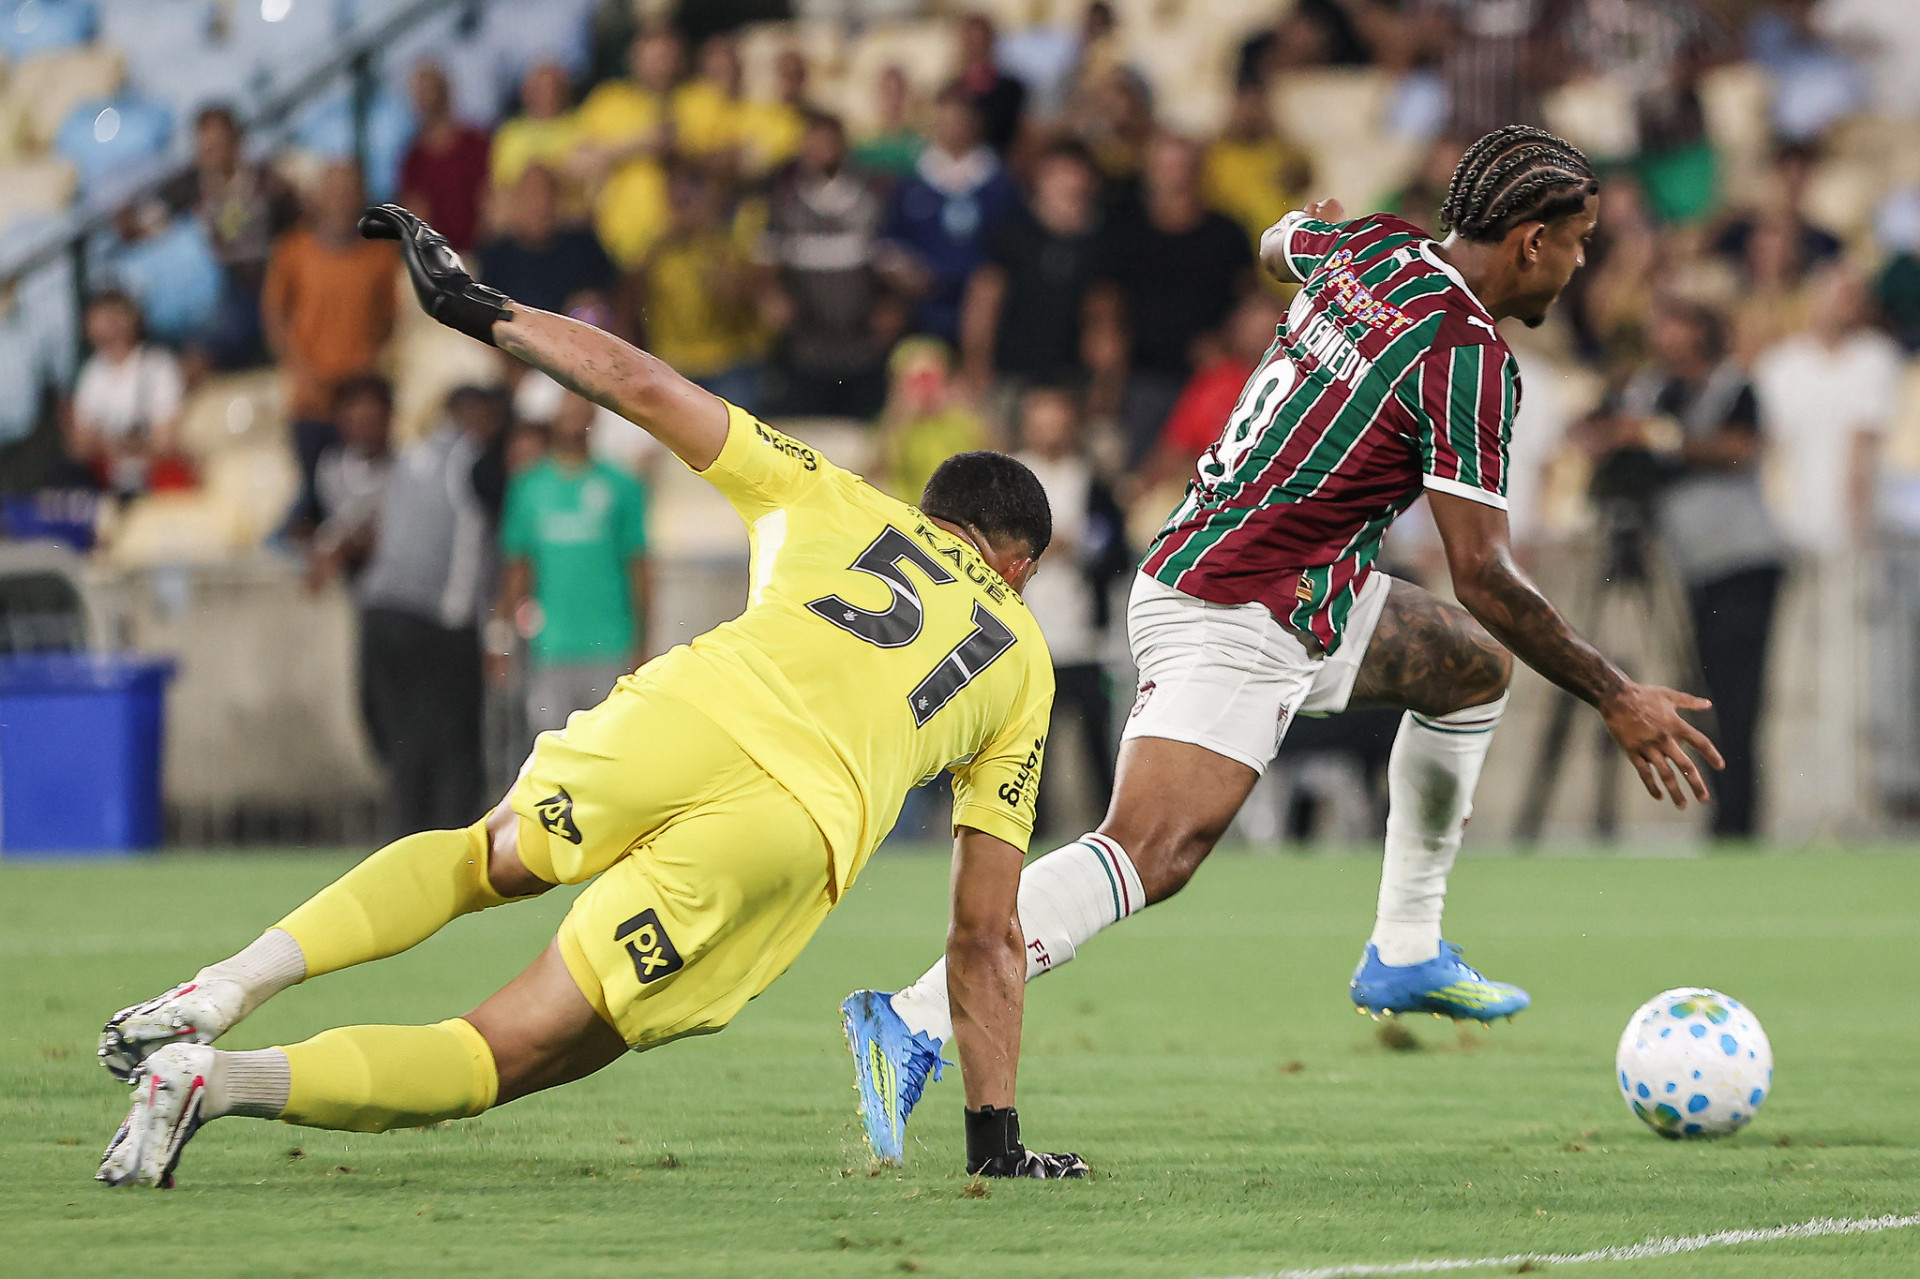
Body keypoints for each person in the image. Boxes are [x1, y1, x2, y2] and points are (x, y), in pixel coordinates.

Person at [95, 202, 1085, 1190]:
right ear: (1022, 566)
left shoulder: (835, 495)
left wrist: (486, 312)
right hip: (792, 822)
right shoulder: (1025, 659)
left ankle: (220, 989)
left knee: (488, 856)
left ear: (929, 513)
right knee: (516, 1048)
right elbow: (982, 927)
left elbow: (644, 384)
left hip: (691, 708)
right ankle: (212, 1082)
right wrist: (993, 1134)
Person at [842, 125, 1724, 1163]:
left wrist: (1319, 277)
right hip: (1236, 607)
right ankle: (907, 1017)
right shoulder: (1471, 358)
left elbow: (1277, 239)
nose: (1583, 266)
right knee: (1149, 852)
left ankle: (1404, 946)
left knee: (1469, 672)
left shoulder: (1373, 249)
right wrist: (1616, 690)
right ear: (1530, 243)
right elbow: (1483, 572)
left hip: (1287, 581)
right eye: (1578, 244)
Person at [1603, 302, 1786, 840]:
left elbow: (1738, 450)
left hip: (1742, 559)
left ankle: (1737, 821)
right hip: (1693, 565)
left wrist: (1659, 438)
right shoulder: (1658, 389)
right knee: (1706, 689)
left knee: (1736, 695)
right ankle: (1725, 816)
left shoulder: (1735, 388)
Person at [349, 385, 506, 838]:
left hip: (380, 611)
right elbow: (504, 527)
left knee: (403, 742)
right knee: (455, 743)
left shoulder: (408, 458)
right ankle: (450, 844)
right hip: (440, 617)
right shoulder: (472, 459)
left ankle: (401, 836)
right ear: (472, 417)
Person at [1084, 132, 1255, 466]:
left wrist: (1225, 344)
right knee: (1141, 473)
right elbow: (1104, 296)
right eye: (1164, 167)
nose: (1173, 176)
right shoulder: (1125, 228)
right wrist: (1108, 346)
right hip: (1143, 376)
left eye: (1181, 166)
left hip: (1209, 379)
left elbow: (1248, 301)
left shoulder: (1227, 233)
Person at [495, 390, 651, 736]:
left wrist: (642, 643)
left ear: (594, 419)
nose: (574, 419)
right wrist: (500, 637)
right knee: (552, 746)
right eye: (566, 411)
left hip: (610, 644)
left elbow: (638, 567)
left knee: (608, 744)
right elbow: (519, 569)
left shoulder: (621, 484)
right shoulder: (529, 486)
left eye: (582, 411)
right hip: (550, 647)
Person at [1012, 384, 1128, 836]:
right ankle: (1022, 837)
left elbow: (1117, 549)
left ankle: (1111, 835)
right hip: (1024, 640)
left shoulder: (1091, 482)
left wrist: (1081, 549)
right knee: (1024, 751)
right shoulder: (1012, 477)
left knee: (1097, 745)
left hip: (1084, 640)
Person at [260, 163, 399, 521]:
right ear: (318, 197)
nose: (341, 199)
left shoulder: (380, 256)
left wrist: (366, 370)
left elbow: (387, 318)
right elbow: (275, 316)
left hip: (359, 405)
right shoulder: (293, 251)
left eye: (349, 190)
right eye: (333, 190)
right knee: (317, 501)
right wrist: (300, 370)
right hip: (312, 402)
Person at [757, 112, 899, 419]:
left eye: (829, 142)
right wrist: (771, 297)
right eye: (815, 143)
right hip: (804, 350)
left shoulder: (873, 199)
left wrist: (893, 305)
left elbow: (895, 264)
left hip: (864, 349)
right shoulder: (784, 202)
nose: (823, 151)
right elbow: (764, 266)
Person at [152, 104, 301, 368]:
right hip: (223, 285)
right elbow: (153, 216)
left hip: (269, 277)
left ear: (236, 141)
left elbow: (298, 225)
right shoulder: (191, 184)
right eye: (204, 147)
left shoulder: (266, 182)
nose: (210, 154)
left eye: (218, 145)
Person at [958, 139, 1108, 398]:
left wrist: (1103, 387)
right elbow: (983, 305)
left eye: (1076, 174)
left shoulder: (1103, 243)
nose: (1068, 184)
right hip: (1010, 377)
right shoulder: (1012, 235)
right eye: (1058, 174)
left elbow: (1105, 320)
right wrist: (977, 372)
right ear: (1040, 179)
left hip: (1071, 383)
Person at [882, 87, 1020, 346]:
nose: (951, 128)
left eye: (959, 120)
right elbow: (888, 243)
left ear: (976, 124)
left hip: (990, 318)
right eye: (943, 121)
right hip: (922, 313)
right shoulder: (910, 182)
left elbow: (1016, 245)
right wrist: (903, 272)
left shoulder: (1001, 185)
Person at [66, 291, 186, 499]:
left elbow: (166, 440)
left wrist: (119, 445)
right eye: (98, 325)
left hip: (153, 477)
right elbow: (80, 444)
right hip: (106, 480)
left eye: (112, 322)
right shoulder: (92, 374)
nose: (107, 332)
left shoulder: (158, 365)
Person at [477, 165, 619, 319]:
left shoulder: (583, 246)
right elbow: (485, 316)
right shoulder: (496, 256)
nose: (540, 205)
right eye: (531, 196)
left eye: (547, 194)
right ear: (517, 201)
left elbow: (616, 300)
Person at [398, 61, 493, 254]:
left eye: (429, 90)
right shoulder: (413, 159)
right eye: (419, 92)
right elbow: (414, 216)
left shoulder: (476, 144)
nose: (425, 99)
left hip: (480, 253)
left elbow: (491, 200)